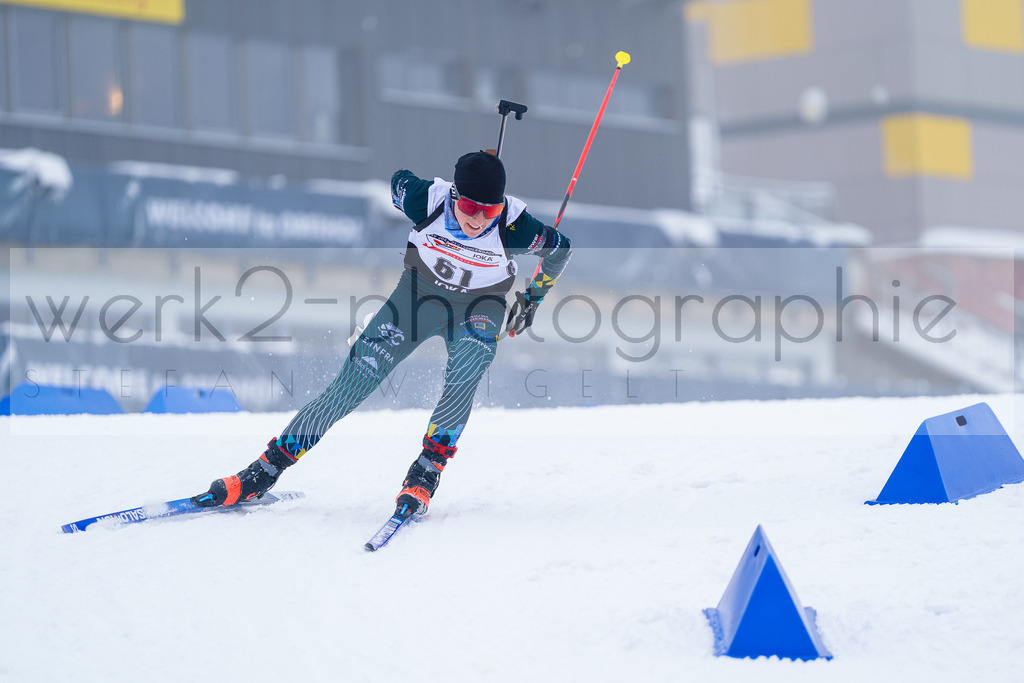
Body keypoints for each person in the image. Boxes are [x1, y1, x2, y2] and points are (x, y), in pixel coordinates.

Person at [192, 151, 572, 519]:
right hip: (417, 298)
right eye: (470, 207)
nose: (477, 219)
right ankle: (264, 471)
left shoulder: (515, 228)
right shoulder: (427, 201)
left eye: (488, 210)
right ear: (455, 194)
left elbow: (560, 250)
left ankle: (425, 473)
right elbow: (398, 180)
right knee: (351, 385)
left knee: (466, 373)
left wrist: (532, 299)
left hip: (479, 308)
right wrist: (402, 194)